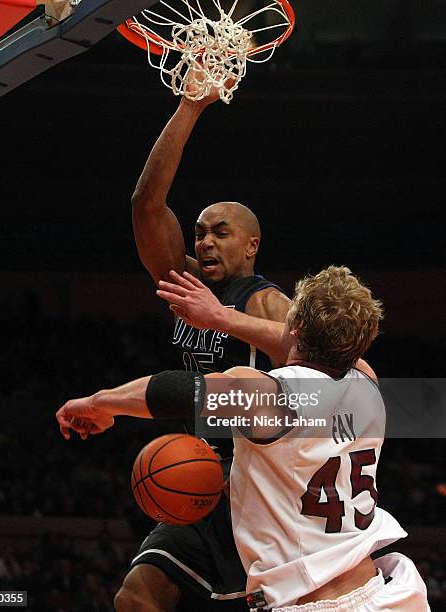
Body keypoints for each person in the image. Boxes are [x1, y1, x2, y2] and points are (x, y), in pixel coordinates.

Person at [56, 265, 430, 611]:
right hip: (386, 593)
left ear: (294, 326)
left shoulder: (271, 396)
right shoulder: (368, 385)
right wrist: (220, 316)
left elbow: (176, 392)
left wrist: (99, 402)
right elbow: (326, 352)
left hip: (316, 603)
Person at [123, 77, 291, 611]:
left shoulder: (265, 301)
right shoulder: (185, 282)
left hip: (253, 481)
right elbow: (146, 207)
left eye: (220, 232)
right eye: (200, 232)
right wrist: (190, 106)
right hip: (197, 471)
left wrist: (223, 320)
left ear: (252, 244)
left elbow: (317, 369)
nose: (206, 241)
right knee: (137, 596)